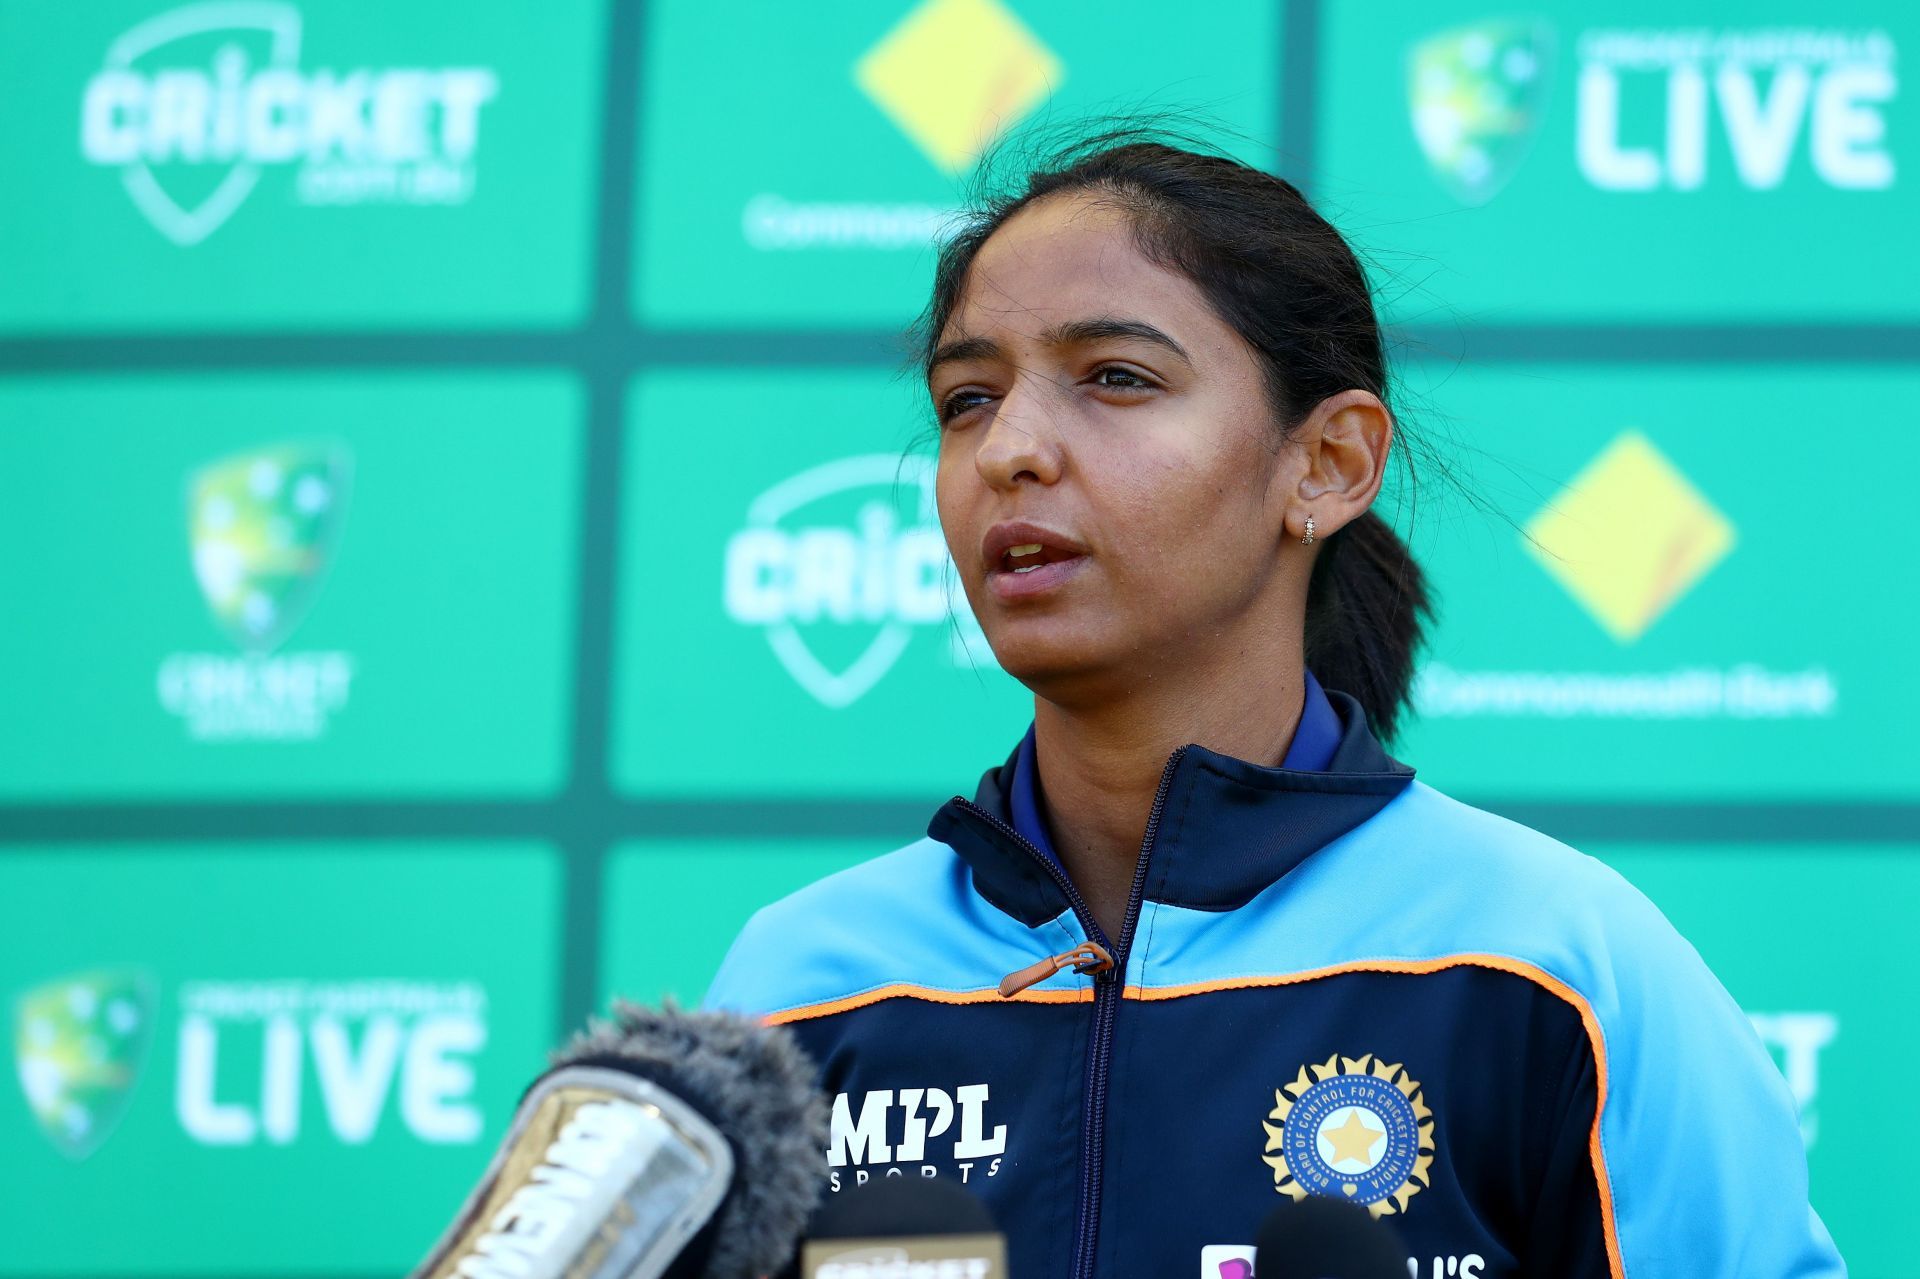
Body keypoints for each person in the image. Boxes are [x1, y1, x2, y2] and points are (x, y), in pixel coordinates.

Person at [703, 133, 1843, 1278]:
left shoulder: (1551, 970)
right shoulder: (802, 986)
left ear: (1328, 463)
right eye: (967, 398)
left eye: (1116, 377)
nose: (1011, 450)